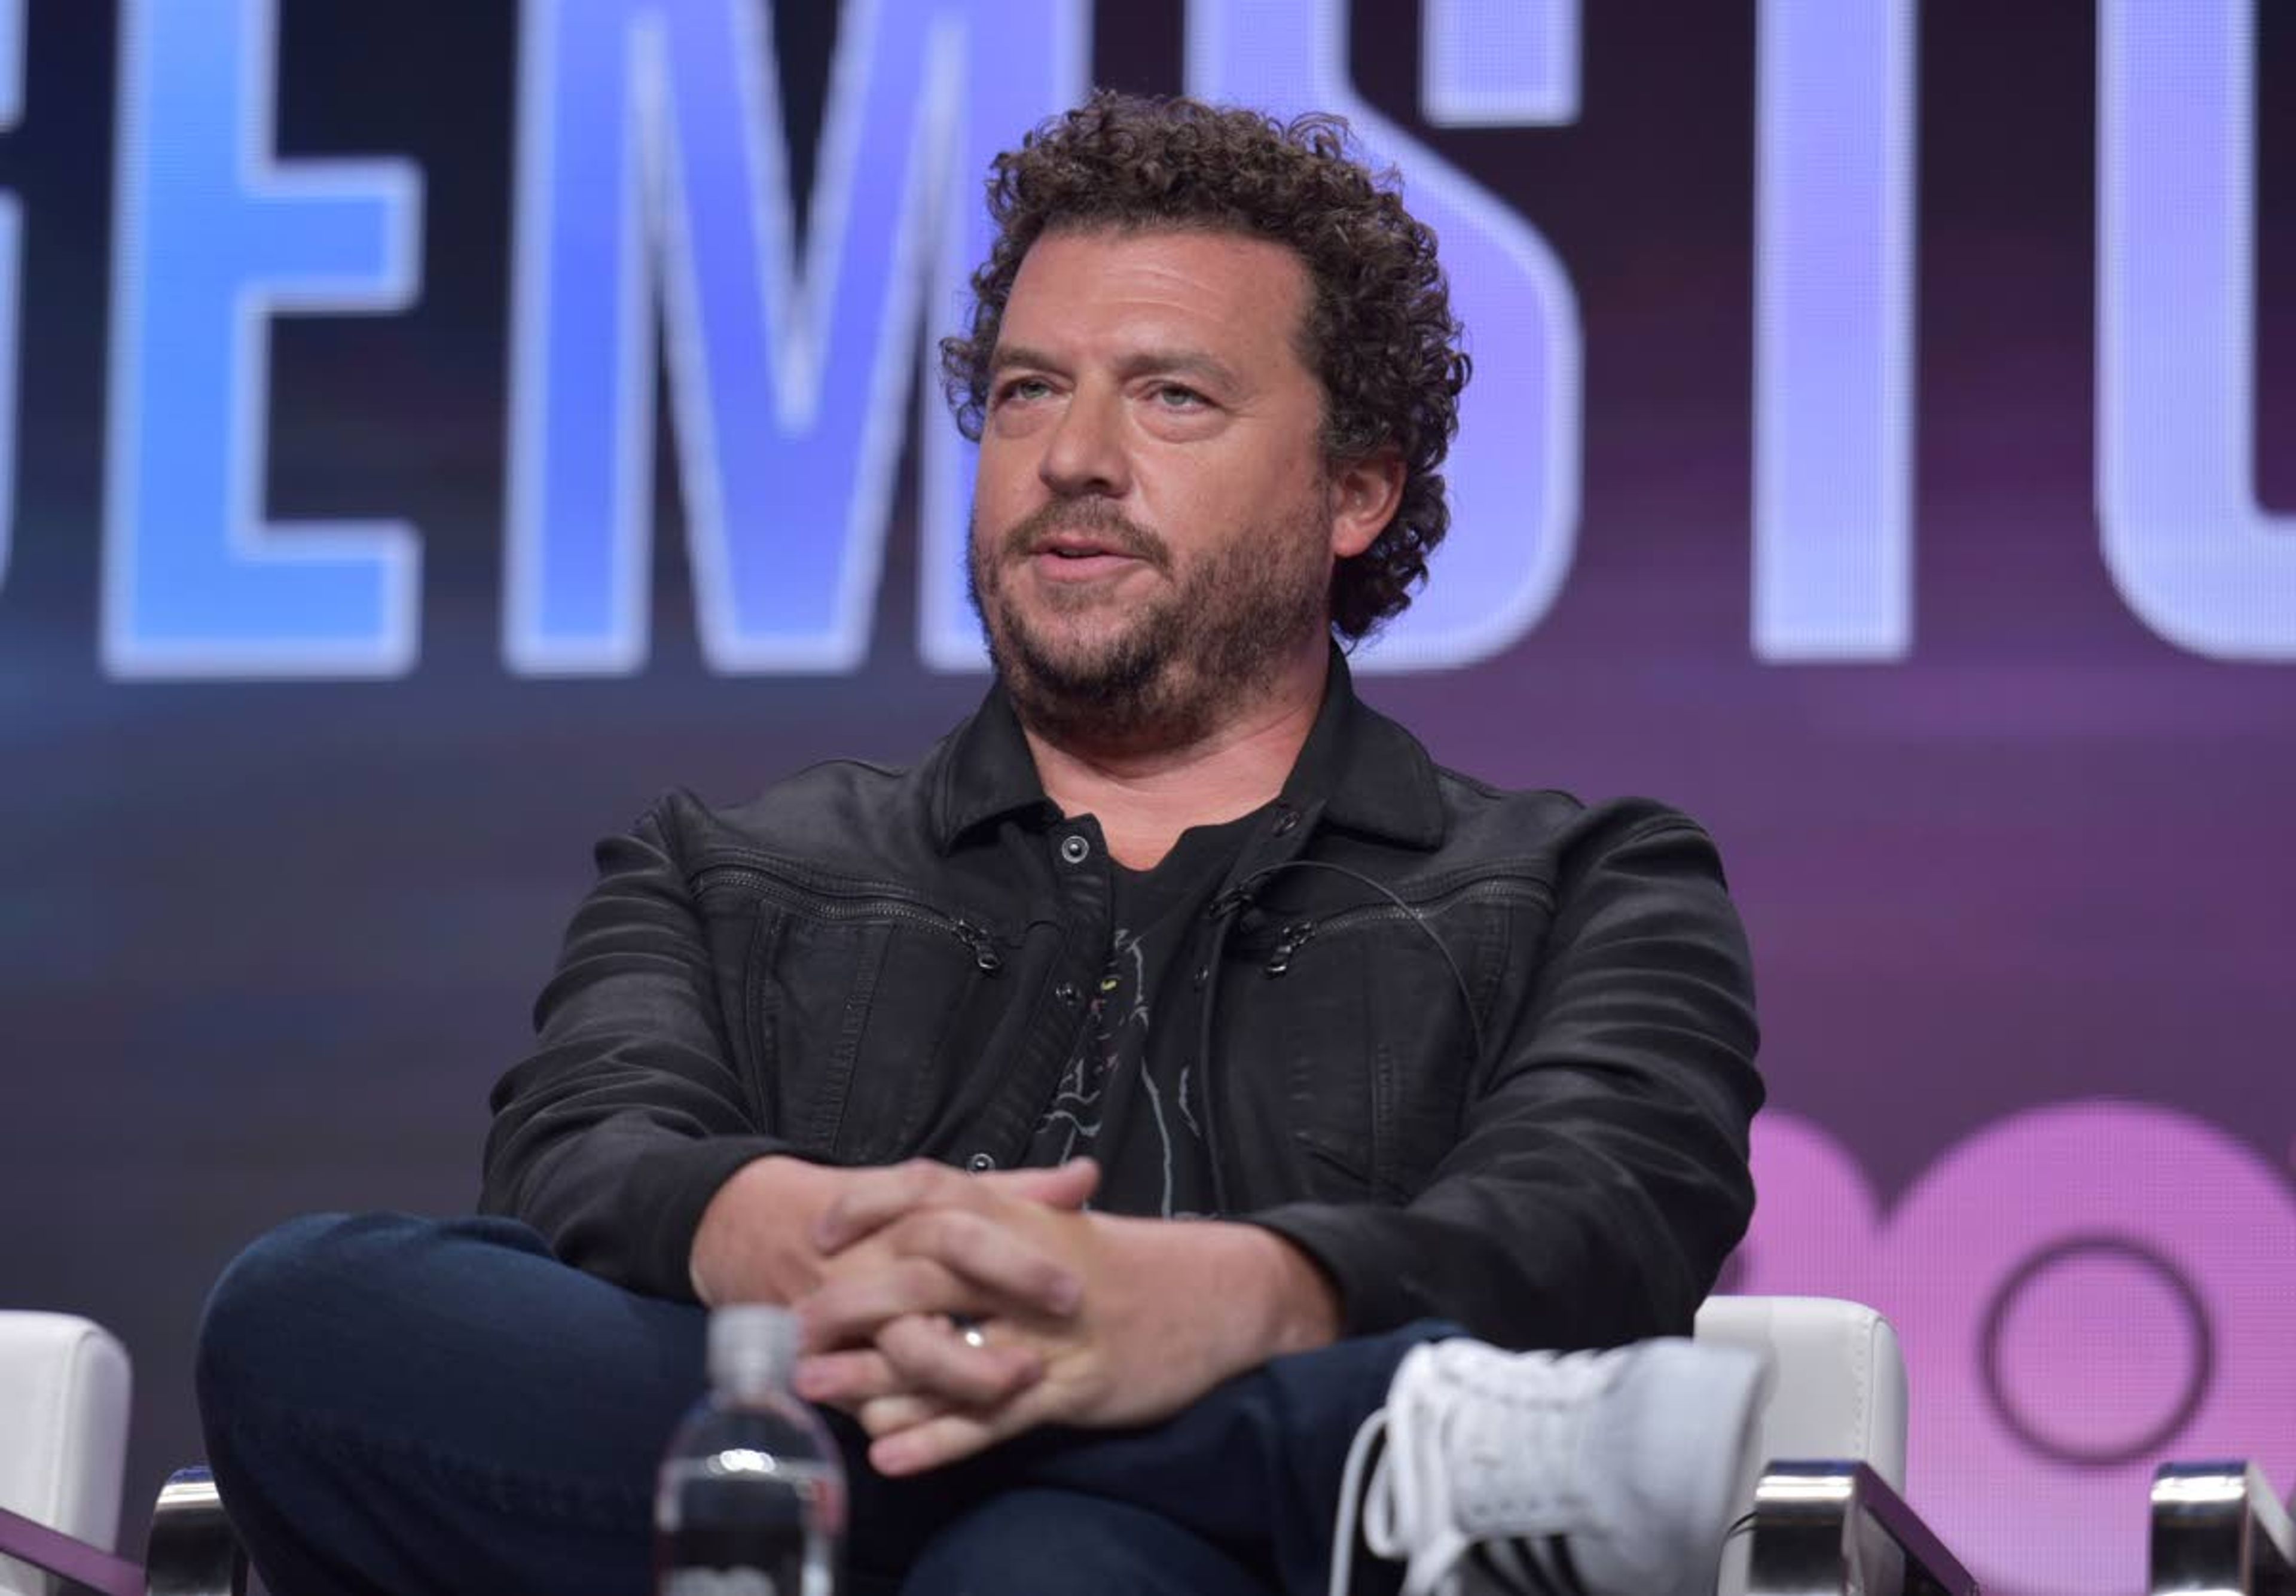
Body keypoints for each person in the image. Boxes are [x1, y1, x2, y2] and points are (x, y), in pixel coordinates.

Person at [195, 93, 1766, 1596]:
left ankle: (1244, 1460)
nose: (1071, 455)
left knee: (1038, 1565)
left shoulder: (1578, 890)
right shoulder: (724, 870)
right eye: (1025, 391)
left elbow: (1591, 1228)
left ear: (1354, 492)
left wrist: (1225, 1301)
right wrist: (811, 1247)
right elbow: (584, 1160)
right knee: (303, 1318)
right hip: (778, 1531)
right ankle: (1327, 1460)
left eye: (1173, 395)